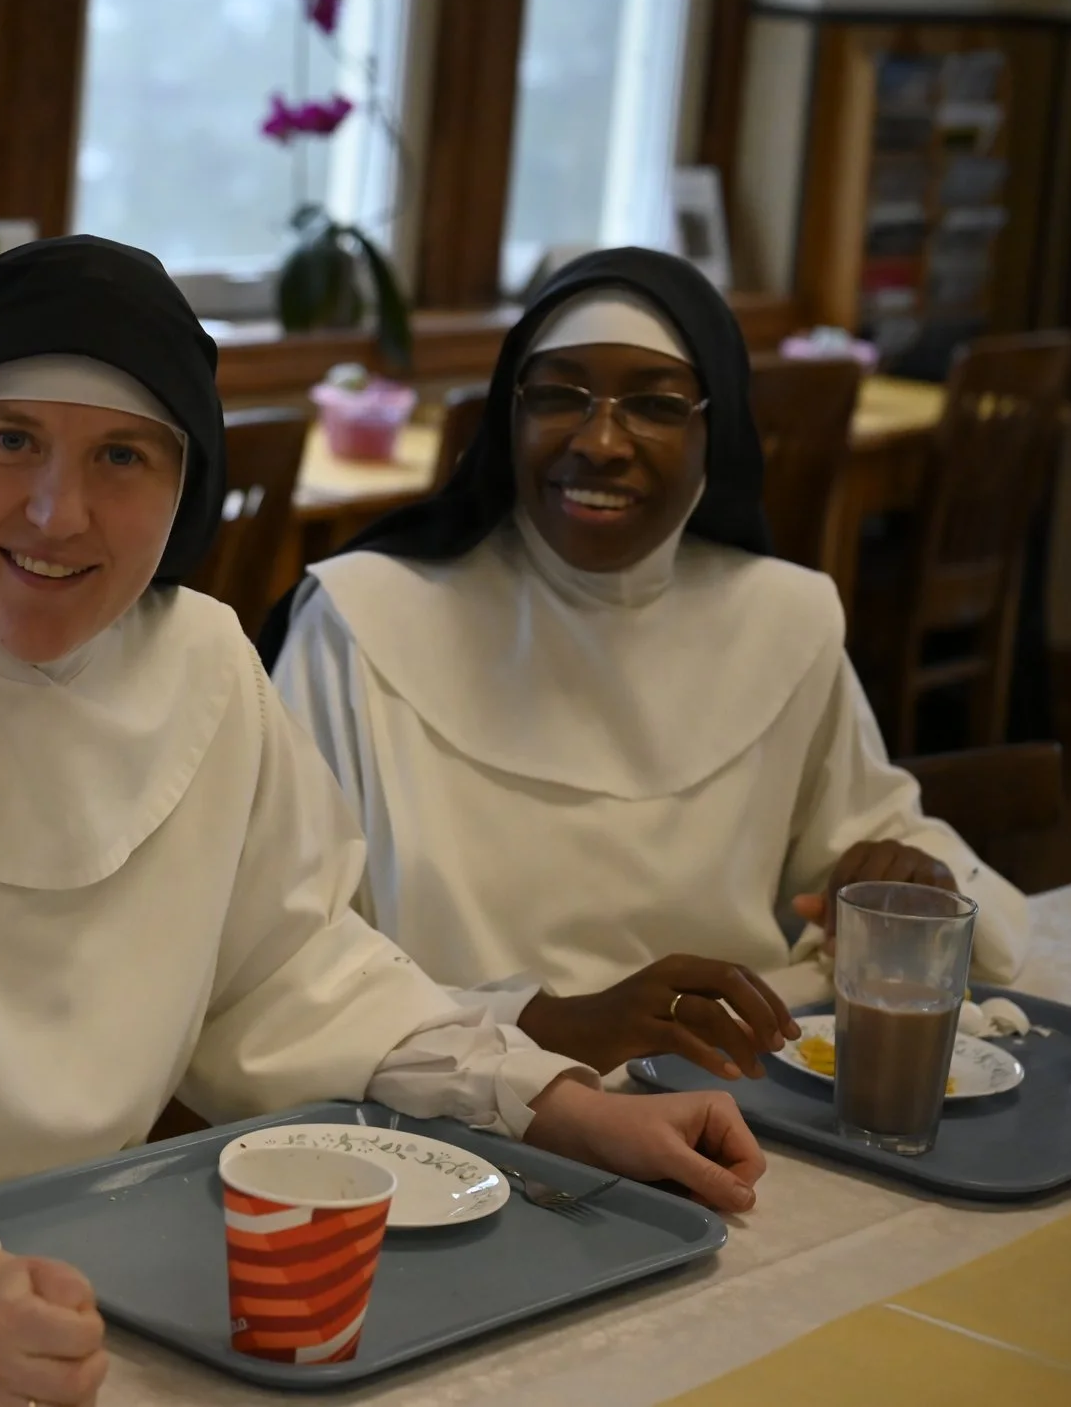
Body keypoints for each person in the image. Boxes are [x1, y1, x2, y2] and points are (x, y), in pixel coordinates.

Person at [0, 237, 766, 1407]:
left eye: (121, 455)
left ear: (184, 482)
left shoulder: (205, 660)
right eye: (8, 440)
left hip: (116, 1272)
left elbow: (300, 972)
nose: (58, 511)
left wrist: (562, 1108)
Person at [261, 248, 1030, 1082]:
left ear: (715, 434)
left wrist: (910, 876)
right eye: (557, 396)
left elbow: (878, 845)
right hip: (447, 1097)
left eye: (656, 406)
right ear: (508, 416)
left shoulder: (783, 620)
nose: (599, 442)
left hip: (737, 1097)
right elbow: (284, 953)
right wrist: (541, 1023)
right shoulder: (360, 622)